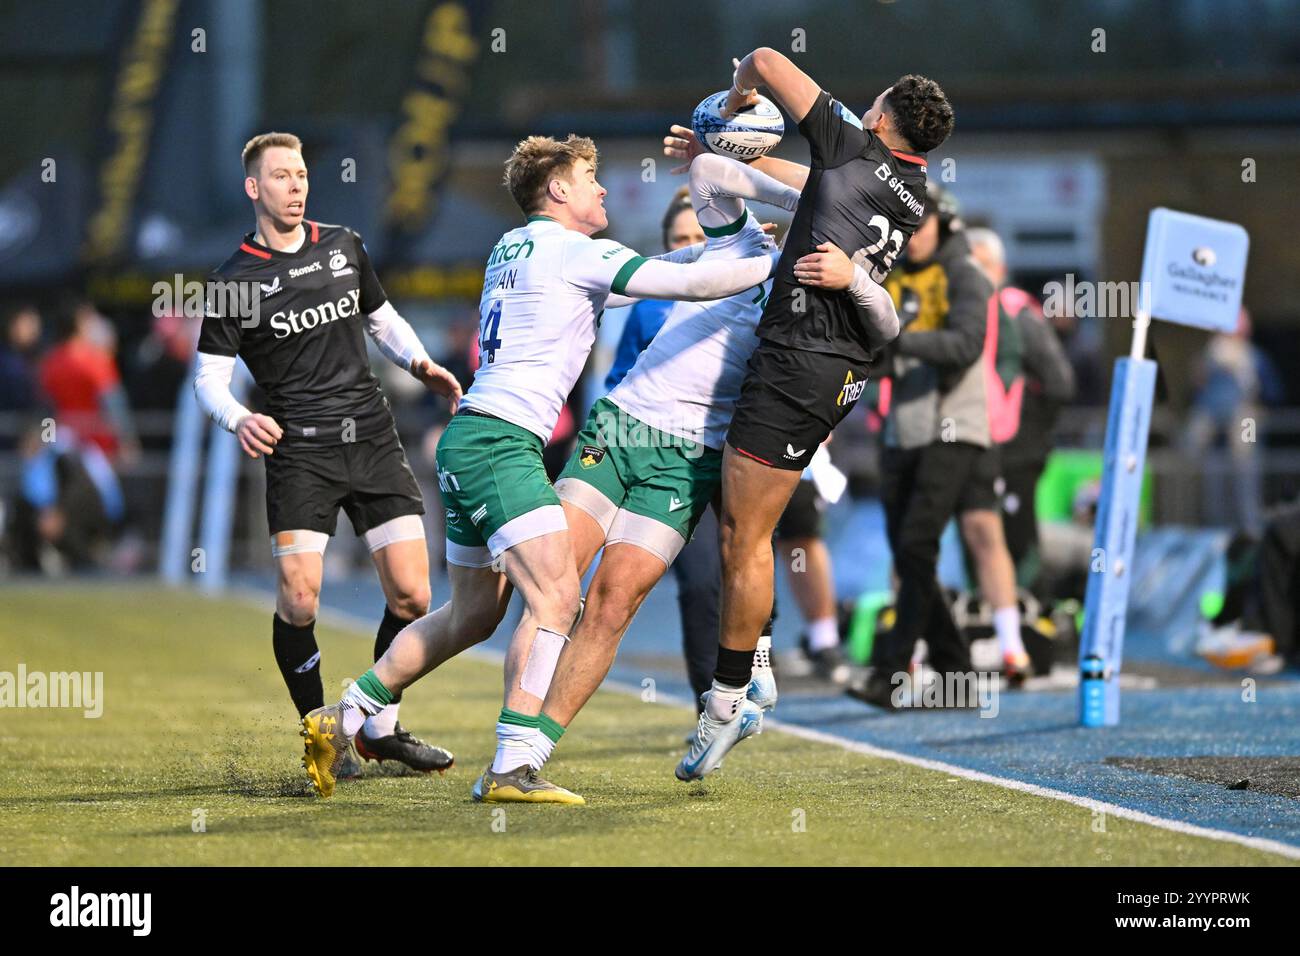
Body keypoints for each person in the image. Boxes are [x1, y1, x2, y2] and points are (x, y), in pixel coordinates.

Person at [300, 134, 780, 801]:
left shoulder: (515, 246)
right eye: (589, 176)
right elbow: (693, 282)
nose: (602, 188)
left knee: (472, 614)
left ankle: (343, 715)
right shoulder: (577, 253)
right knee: (557, 598)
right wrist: (773, 256)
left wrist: (722, 248)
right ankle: (510, 769)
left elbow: (665, 268)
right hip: (502, 443)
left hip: (468, 438)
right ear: (557, 189)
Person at [507, 151, 895, 792]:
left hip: (698, 455)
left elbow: (886, 324)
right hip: (623, 426)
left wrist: (850, 275)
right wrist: (785, 178)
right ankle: (498, 734)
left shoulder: (834, 275)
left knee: (615, 605)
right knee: (554, 589)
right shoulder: (739, 242)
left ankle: (529, 758)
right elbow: (711, 176)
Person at [666, 49, 952, 762]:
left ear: (879, 117)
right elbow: (804, 184)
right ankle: (752, 667)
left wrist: (734, 103)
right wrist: (716, 150)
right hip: (831, 369)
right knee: (747, 530)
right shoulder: (912, 192)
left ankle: (730, 699)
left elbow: (762, 57)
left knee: (743, 537)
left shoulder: (853, 142)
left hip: (800, 364)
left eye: (871, 99)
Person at [194, 132, 463, 780]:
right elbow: (207, 380)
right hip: (299, 453)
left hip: (371, 437)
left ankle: (379, 727)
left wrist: (420, 362)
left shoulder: (344, 247)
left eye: (302, 174)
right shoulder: (234, 281)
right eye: (282, 176)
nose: (296, 185)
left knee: (412, 593)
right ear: (254, 188)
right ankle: (321, 732)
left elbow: (381, 318)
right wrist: (239, 418)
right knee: (302, 598)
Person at [848, 184, 997, 709]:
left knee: (916, 546)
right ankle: (958, 677)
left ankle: (888, 673)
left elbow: (965, 345)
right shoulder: (896, 275)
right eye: (905, 226)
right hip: (902, 429)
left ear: (945, 223)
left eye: (922, 224)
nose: (911, 237)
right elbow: (880, 357)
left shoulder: (966, 275)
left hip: (954, 428)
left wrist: (894, 338)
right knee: (912, 556)